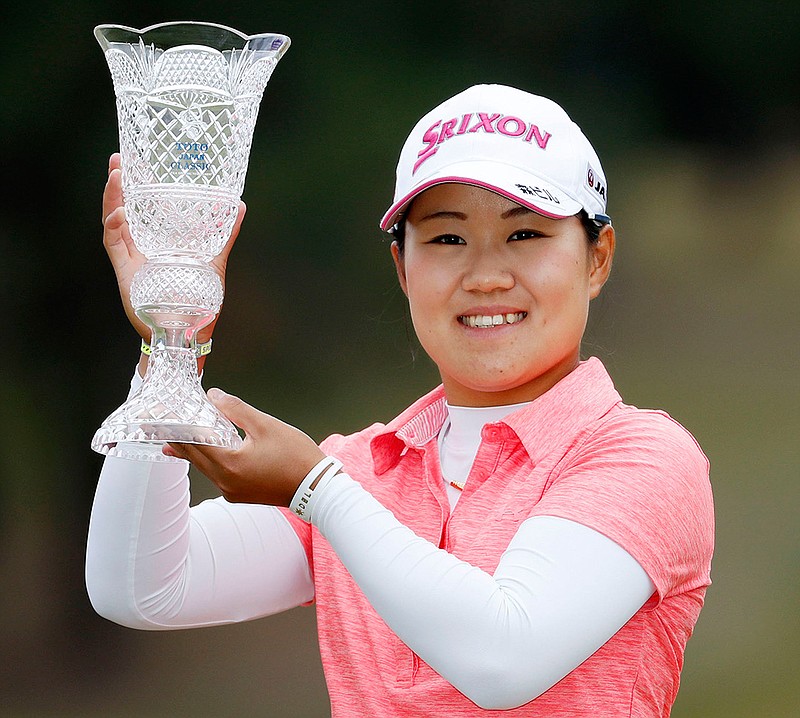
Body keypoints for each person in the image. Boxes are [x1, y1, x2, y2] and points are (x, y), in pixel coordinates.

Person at [86, 84, 714, 717]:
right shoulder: (365, 474)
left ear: (597, 258)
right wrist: (173, 341)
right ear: (403, 269)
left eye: (525, 234)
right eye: (446, 240)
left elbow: (505, 658)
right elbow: (140, 587)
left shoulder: (645, 459)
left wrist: (319, 492)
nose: (486, 275)